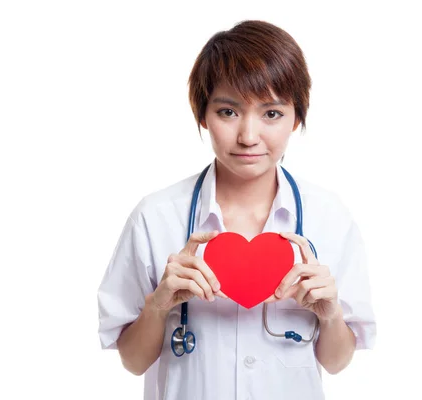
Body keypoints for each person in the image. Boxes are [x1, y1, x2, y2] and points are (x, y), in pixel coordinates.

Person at [97, 20, 376, 400]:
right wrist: (159, 306)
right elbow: (132, 360)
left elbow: (336, 361)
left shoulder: (330, 218)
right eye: (228, 112)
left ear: (296, 118)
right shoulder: (156, 217)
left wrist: (330, 316)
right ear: (202, 115)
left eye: (271, 113)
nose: (248, 136)